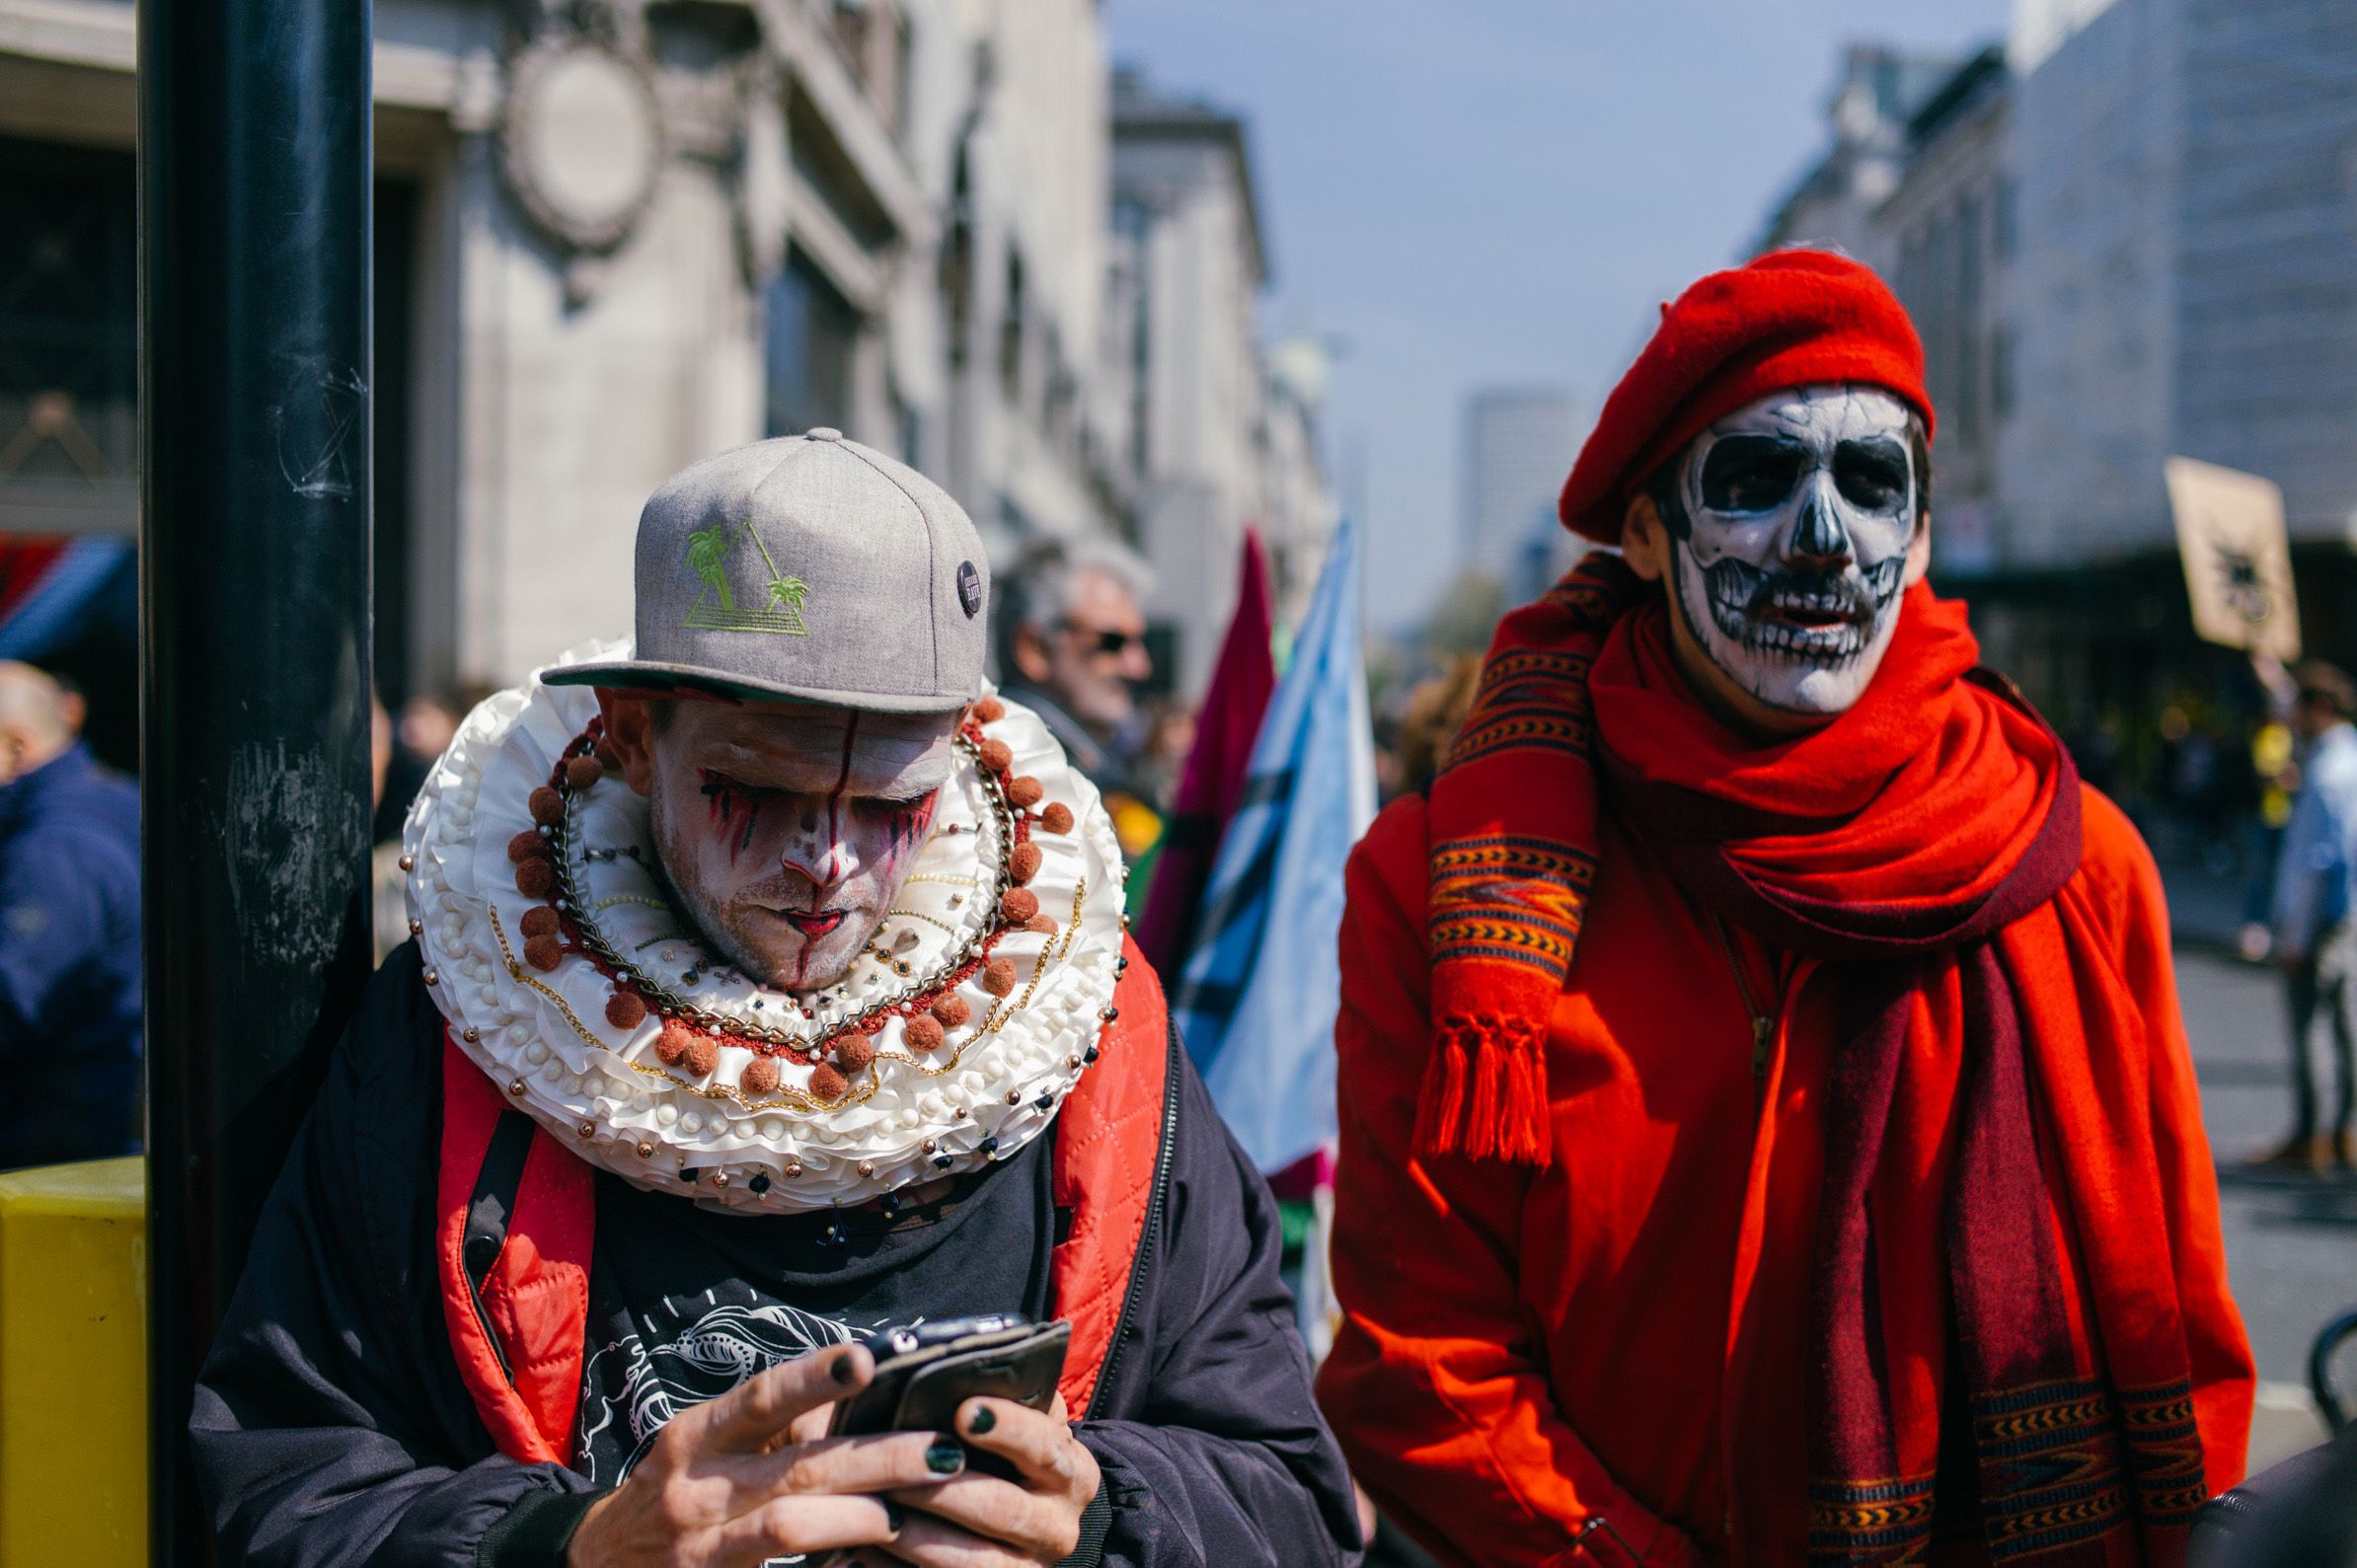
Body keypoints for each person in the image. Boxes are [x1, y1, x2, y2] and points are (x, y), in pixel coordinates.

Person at [190, 431, 1359, 1567]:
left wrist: (1097, 1518)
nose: (827, 862)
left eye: (888, 804)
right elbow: (282, 1477)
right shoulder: (444, 1034)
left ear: (961, 752)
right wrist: (575, 1545)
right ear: (636, 735)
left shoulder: (1104, 1043)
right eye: (754, 788)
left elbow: (1291, 1493)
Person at [1317, 252, 2254, 1563]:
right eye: (1757, 481)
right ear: (1644, 534)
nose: (1822, 540)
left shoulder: (2083, 867)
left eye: (1872, 488)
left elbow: (2180, 1325)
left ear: (1920, 539)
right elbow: (1424, 1355)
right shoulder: (1444, 883)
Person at [0, 659, 140, 1168]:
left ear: (17, 746)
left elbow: (15, 1001)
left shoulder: (53, 850)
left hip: (57, 1148)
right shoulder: (117, 797)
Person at [996, 540, 1162, 860]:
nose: (1139, 668)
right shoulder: (1020, 766)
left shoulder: (1085, 759)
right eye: (1112, 642)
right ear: (1035, 648)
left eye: (1142, 643)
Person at [2260, 660, 2357, 1171]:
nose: (2290, 718)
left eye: (2298, 708)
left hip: (2323, 919)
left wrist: (2295, 936)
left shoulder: (2326, 773)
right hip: (2349, 916)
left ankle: (2311, 1136)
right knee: (2347, 1027)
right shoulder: (2347, 758)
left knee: (2312, 1031)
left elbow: (2319, 861)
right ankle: (2344, 1130)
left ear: (2319, 708)